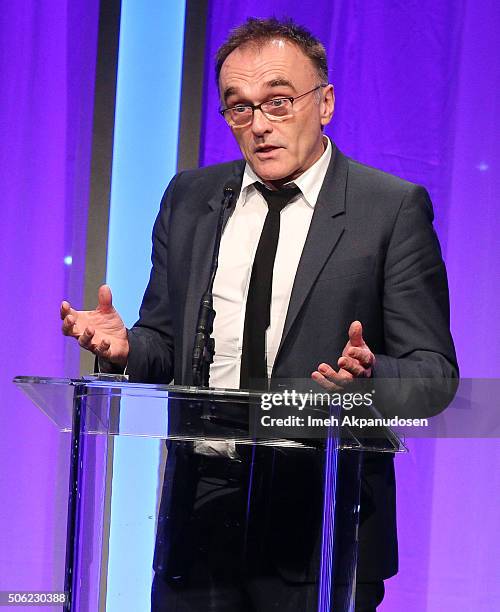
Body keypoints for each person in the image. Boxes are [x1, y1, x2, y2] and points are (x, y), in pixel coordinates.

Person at [61, 17, 458, 611]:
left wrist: (370, 382)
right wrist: (125, 350)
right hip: (200, 515)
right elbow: (166, 346)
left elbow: (434, 375)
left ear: (324, 103)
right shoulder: (191, 198)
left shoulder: (391, 209)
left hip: (321, 520)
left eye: (278, 101)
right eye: (239, 108)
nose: (259, 125)